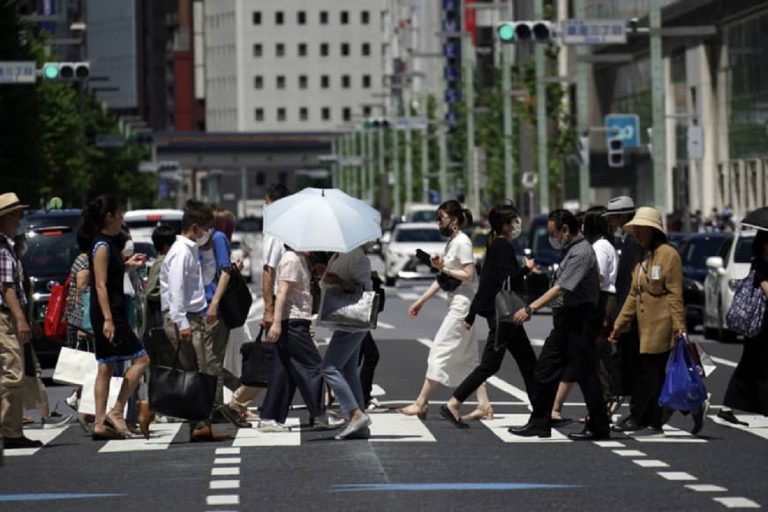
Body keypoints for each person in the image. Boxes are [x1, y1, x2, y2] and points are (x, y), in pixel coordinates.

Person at [510, 209, 609, 441]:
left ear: (566, 229)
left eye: (554, 233)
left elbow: (561, 288)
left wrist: (530, 308)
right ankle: (540, 423)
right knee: (544, 370)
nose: (552, 239)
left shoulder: (582, 253)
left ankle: (599, 426)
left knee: (587, 376)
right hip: (565, 322)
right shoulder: (571, 250)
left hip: (578, 321)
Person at [441, 201, 537, 428]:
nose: (516, 225)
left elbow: (487, 283)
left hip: (505, 316)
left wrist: (473, 313)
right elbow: (506, 281)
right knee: (490, 365)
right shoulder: (502, 246)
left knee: (529, 363)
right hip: (502, 317)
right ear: (504, 225)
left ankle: (543, 412)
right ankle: (453, 403)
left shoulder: (494, 243)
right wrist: (526, 269)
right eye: (513, 221)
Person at [609, 207, 704, 435]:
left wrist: (680, 327)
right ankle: (690, 406)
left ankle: (652, 421)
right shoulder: (641, 256)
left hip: (663, 326)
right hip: (644, 327)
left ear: (654, 230)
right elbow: (633, 294)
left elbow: (674, 295)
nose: (638, 233)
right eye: (636, 229)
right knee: (652, 375)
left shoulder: (668, 255)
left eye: (643, 229)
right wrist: (619, 325)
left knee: (652, 376)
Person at [399, 200, 490, 419]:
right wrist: (421, 301)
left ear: (454, 219)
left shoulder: (463, 242)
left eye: (441, 218)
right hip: (456, 302)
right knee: (468, 359)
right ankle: (484, 404)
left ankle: (421, 403)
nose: (438, 223)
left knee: (438, 350)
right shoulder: (452, 243)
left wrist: (444, 267)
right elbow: (443, 277)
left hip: (462, 305)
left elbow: (469, 275)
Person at [81, 195, 150, 440]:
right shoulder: (101, 246)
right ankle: (117, 410)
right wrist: (109, 319)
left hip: (110, 311)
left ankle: (100, 423)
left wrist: (127, 265)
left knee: (106, 366)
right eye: (119, 213)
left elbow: (109, 276)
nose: (121, 218)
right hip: (108, 313)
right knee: (142, 360)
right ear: (108, 216)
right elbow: (99, 285)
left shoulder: (108, 244)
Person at [161, 199, 230, 442]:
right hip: (186, 318)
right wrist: (183, 323)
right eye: (206, 228)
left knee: (200, 372)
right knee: (200, 372)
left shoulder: (187, 250)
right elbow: (176, 292)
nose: (208, 233)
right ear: (195, 227)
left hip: (191, 316)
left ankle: (201, 425)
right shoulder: (181, 253)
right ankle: (194, 422)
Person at [257, 246, 342, 432]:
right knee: (314, 367)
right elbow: (282, 292)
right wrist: (276, 323)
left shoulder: (301, 260)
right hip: (292, 323)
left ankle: (269, 417)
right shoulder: (291, 259)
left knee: (284, 373)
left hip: (296, 321)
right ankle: (319, 415)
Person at [226, 184, 292, 419]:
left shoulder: (286, 229)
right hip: (281, 301)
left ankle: (239, 402)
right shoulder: (276, 232)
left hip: (290, 301)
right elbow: (267, 270)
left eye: (266, 202)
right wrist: (269, 309)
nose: (265, 207)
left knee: (283, 357)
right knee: (295, 357)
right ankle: (325, 407)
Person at [551, 206, 618, 423]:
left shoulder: (596, 247)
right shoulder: (605, 245)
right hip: (599, 302)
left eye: (583, 222)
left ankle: (600, 409)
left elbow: (596, 277)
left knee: (590, 359)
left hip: (597, 304)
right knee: (586, 358)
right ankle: (558, 408)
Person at [0, 193, 49, 449]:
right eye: (16, 215)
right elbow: (6, 288)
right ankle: (10, 431)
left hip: (9, 317)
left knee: (12, 373)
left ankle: (12, 429)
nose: (20, 219)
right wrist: (20, 319)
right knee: (13, 374)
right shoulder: (2, 247)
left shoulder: (8, 245)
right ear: (6, 217)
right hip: (5, 318)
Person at [202, 209, 250, 429]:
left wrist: (213, 303)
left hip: (215, 309)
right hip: (204, 307)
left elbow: (223, 272)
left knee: (212, 360)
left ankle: (219, 406)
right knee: (209, 360)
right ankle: (240, 389)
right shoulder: (206, 239)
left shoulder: (217, 238)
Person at [320, 247, 373, 439]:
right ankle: (361, 423)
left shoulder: (355, 256)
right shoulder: (339, 255)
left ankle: (355, 414)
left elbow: (362, 289)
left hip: (353, 321)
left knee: (329, 367)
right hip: (348, 321)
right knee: (349, 371)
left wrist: (337, 281)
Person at [718, 230, 768, 427]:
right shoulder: (761, 265)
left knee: (749, 366)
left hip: (761, 324)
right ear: (764, 245)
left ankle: (726, 407)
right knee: (759, 365)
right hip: (760, 324)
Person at [603, 196, 642, 428]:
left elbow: (629, 283)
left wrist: (621, 316)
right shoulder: (628, 240)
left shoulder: (632, 242)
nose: (612, 222)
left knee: (634, 365)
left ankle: (640, 413)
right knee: (631, 364)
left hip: (632, 313)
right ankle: (636, 411)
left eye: (614, 217)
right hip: (630, 311)